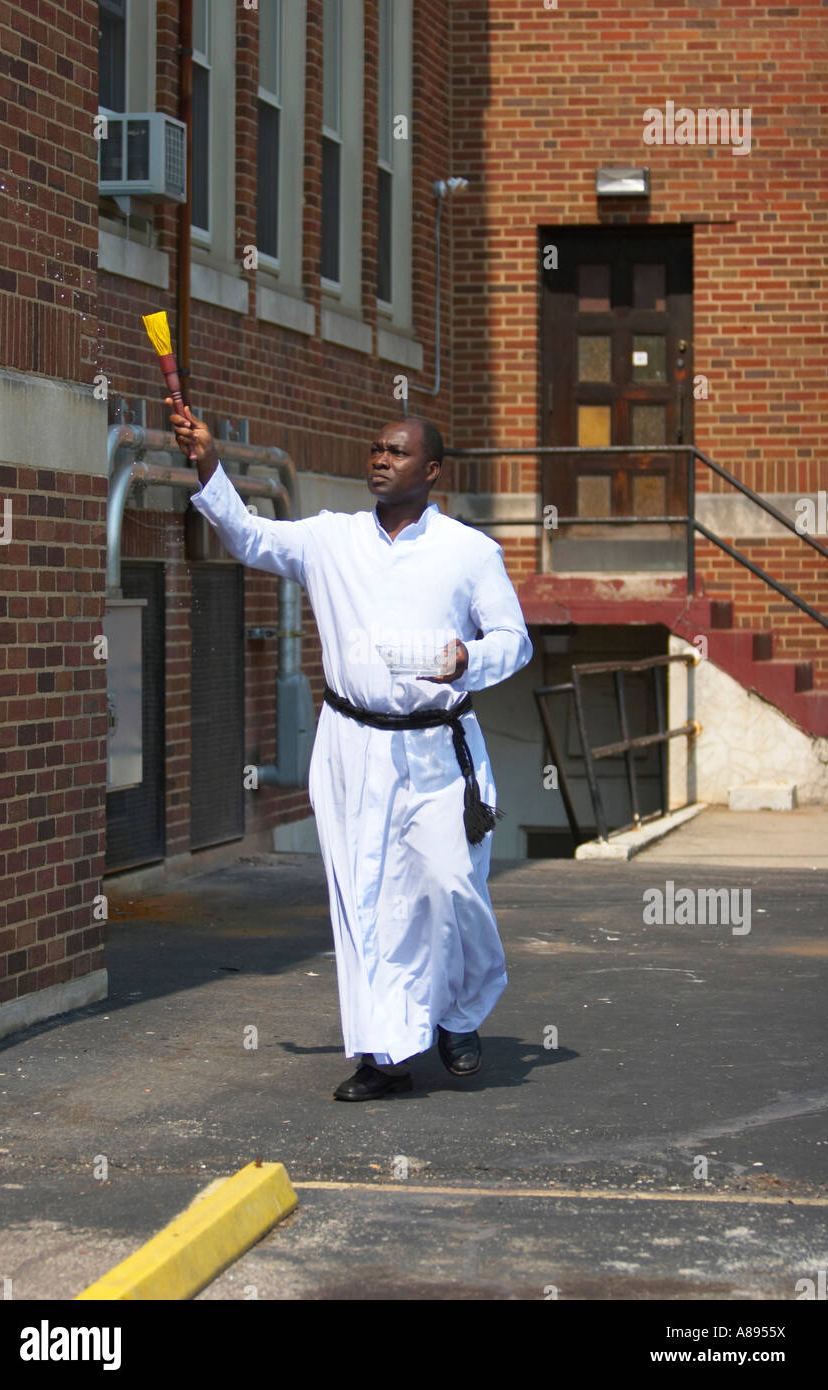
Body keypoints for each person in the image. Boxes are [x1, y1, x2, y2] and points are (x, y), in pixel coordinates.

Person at [167, 396, 533, 1100]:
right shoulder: (330, 539)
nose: (378, 459)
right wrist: (207, 460)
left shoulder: (468, 553)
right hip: (350, 745)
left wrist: (466, 659)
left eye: (395, 452)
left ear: (431, 471)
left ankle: (458, 1012)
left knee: (449, 886)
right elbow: (246, 537)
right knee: (365, 899)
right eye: (374, 448)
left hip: (435, 748)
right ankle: (381, 1052)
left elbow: (513, 643)